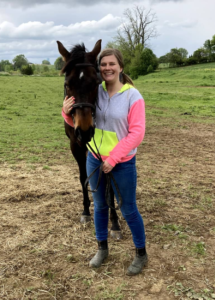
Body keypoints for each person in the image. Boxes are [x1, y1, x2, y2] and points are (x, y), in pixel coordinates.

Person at [62, 48, 147, 276]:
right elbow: (80, 114)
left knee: (128, 209)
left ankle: (141, 253)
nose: (107, 68)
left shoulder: (133, 96)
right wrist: (64, 112)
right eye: (104, 64)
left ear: (120, 67)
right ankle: (102, 248)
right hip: (95, 158)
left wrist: (114, 158)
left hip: (122, 161)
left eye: (112, 64)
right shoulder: (95, 91)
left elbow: (137, 133)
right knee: (99, 206)